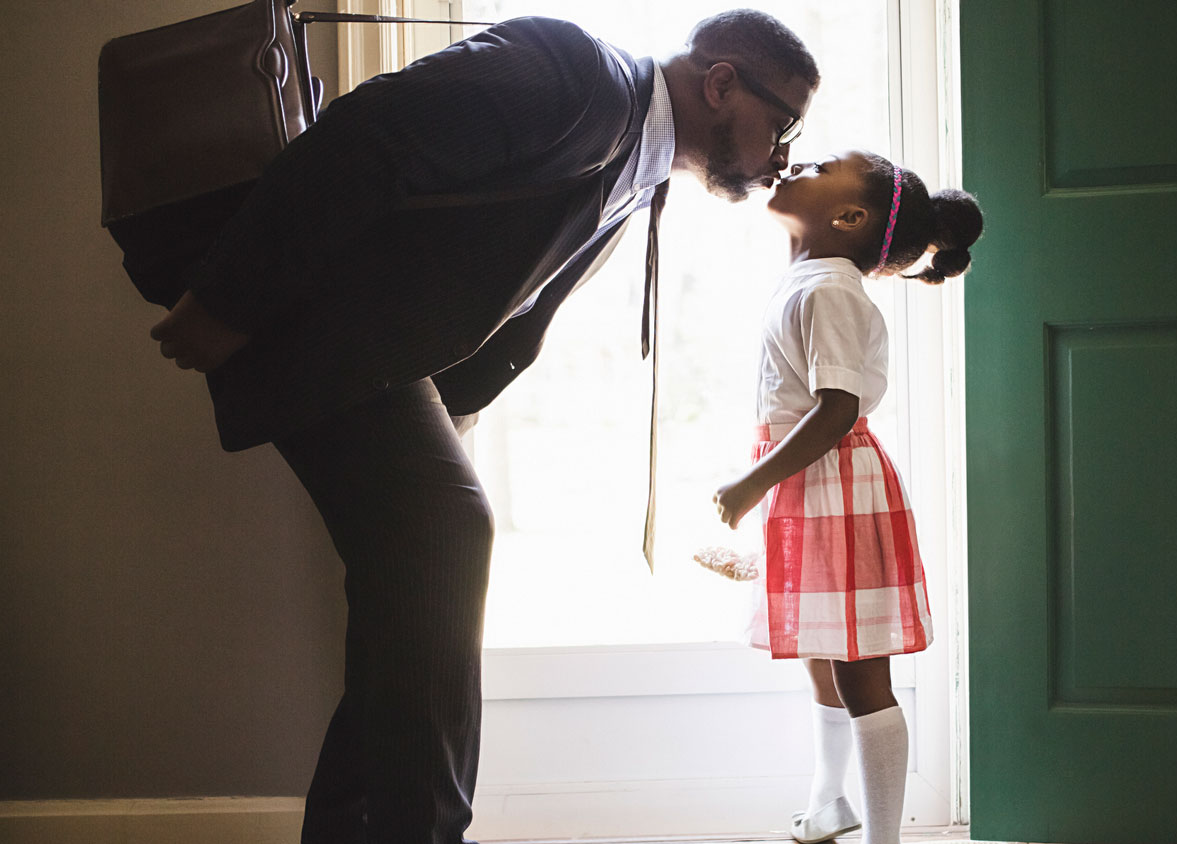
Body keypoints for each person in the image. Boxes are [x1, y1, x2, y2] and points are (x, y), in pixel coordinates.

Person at [146, 10, 819, 844]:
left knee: (412, 598)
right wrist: (227, 300)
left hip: (372, 355)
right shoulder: (578, 77)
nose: (783, 155)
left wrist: (448, 409)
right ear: (721, 82)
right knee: (448, 533)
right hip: (320, 325)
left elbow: (491, 290)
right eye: (782, 122)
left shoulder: (638, 168)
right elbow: (370, 136)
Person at [712, 150, 983, 844]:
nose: (799, 160)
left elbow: (837, 409)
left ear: (850, 216)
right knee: (822, 656)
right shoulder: (808, 279)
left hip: (836, 485)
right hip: (813, 484)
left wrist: (752, 483)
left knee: (860, 673)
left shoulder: (829, 288)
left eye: (822, 163)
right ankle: (829, 802)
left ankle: (884, 837)